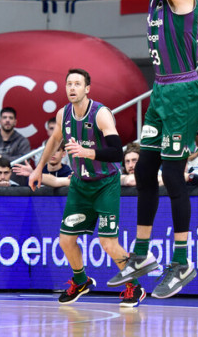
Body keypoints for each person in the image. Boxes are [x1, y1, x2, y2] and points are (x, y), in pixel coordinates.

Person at [76, 0, 198, 299]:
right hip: (163, 89)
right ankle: (143, 253)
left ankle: (182, 261)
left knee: (171, 174)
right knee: (145, 169)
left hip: (184, 90)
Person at [29, 69, 143, 307]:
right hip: (80, 185)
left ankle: (134, 286)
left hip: (105, 184)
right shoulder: (63, 113)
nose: (72, 88)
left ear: (87, 89)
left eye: (77, 84)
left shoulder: (101, 114)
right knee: (65, 240)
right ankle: (80, 281)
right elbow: (54, 139)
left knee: (108, 242)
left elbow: (116, 152)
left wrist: (87, 152)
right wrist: (39, 168)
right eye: (68, 83)